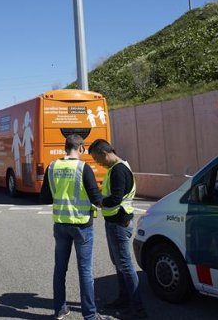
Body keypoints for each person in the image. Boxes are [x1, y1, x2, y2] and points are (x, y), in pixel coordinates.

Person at [40, 134, 113, 320]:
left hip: (61, 225)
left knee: (60, 269)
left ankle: (59, 310)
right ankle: (89, 315)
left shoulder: (52, 166)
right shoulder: (83, 168)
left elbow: (45, 198)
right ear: (80, 148)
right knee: (85, 271)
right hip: (82, 226)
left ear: (66, 147)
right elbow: (97, 200)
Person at [88, 139, 146, 319]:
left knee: (125, 265)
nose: (97, 163)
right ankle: (124, 299)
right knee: (119, 263)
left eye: (97, 159)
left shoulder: (118, 170)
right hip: (117, 221)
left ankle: (138, 308)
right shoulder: (118, 168)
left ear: (104, 153)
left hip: (119, 223)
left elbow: (115, 198)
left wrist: (98, 201)